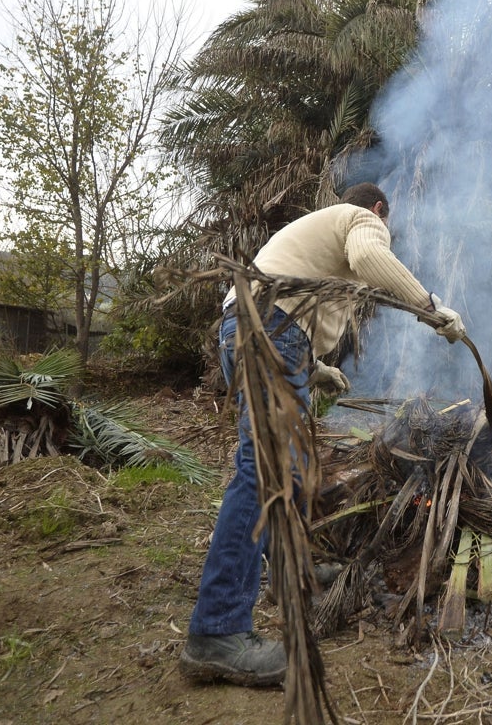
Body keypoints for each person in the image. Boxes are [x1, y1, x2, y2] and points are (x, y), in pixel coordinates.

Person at [179, 182, 466, 687]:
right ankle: (216, 632)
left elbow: (289, 304)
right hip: (269, 330)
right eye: (385, 225)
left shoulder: (315, 237)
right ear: (377, 209)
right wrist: (430, 307)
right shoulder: (360, 221)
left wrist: (312, 368)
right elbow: (370, 258)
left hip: (250, 329)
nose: (384, 234)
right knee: (264, 473)